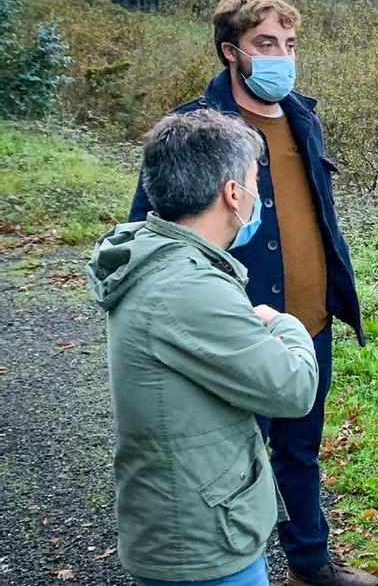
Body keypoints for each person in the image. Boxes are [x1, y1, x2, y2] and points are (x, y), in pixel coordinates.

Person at [127, 0, 374, 586]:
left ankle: (311, 565)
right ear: (231, 52)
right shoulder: (193, 131)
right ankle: (234, 566)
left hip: (308, 321)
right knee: (232, 459)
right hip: (235, 326)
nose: (281, 58)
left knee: (301, 453)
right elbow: (149, 227)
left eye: (289, 45)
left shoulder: (301, 116)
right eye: (267, 45)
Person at [86, 110, 319, 585]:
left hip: (184, 515)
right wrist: (283, 323)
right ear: (233, 194)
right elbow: (294, 387)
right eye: (255, 182)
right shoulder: (188, 286)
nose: (258, 196)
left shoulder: (153, 256)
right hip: (200, 542)